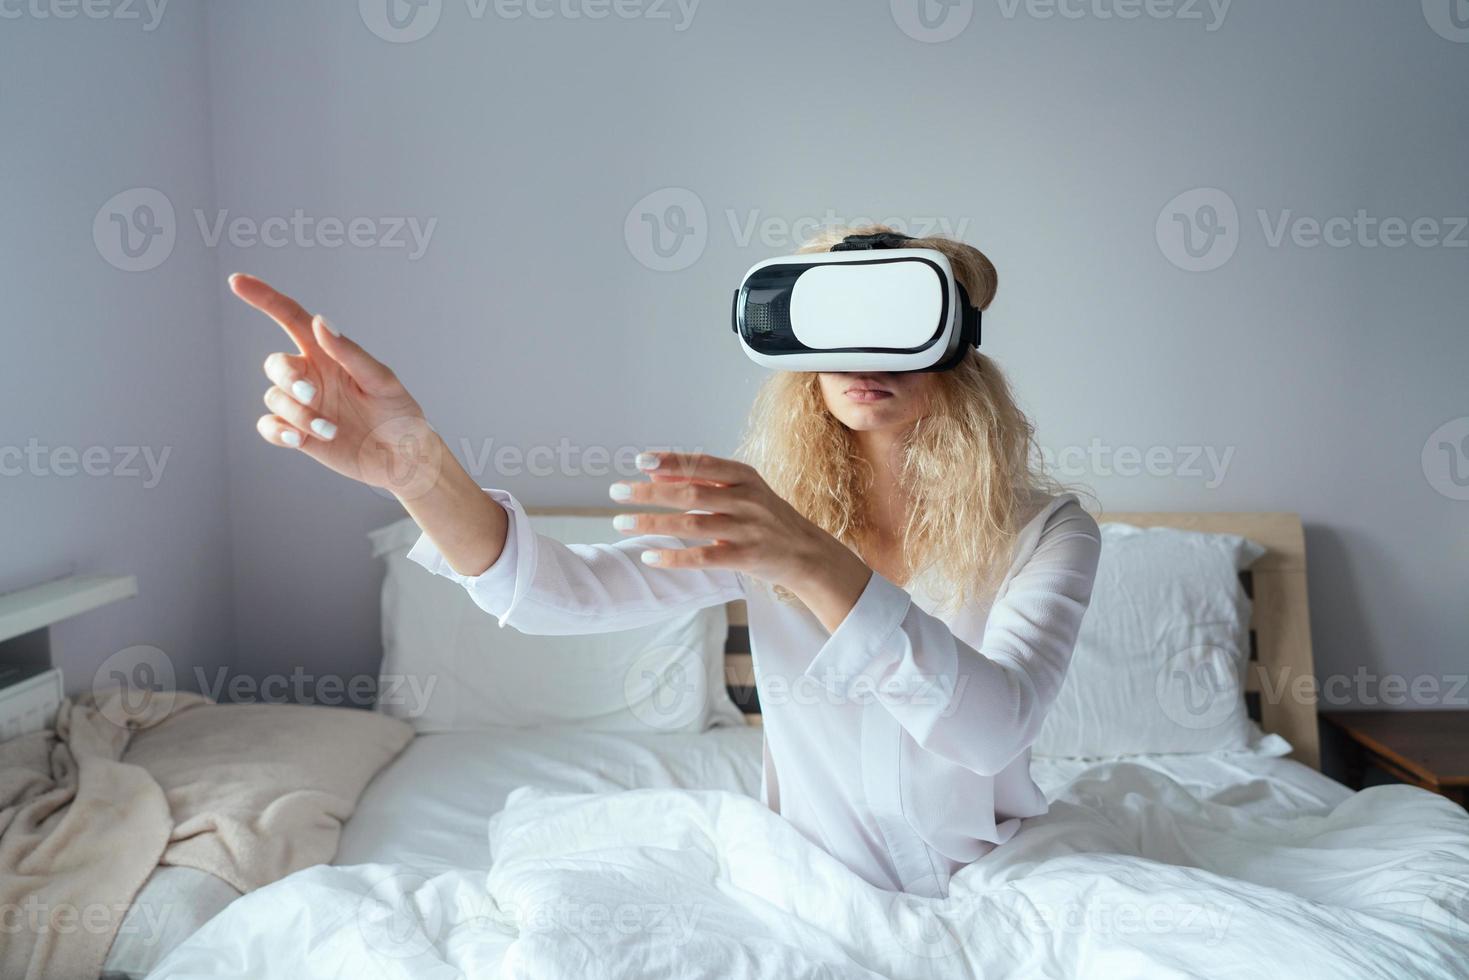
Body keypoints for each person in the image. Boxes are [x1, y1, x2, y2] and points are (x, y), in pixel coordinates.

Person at [230, 226, 1101, 897]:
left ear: (957, 348)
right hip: (808, 884)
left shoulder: (1046, 531)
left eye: (895, 327)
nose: (862, 359)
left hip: (1003, 884)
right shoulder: (765, 518)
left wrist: (811, 563)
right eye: (837, 327)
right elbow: (560, 596)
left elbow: (991, 730)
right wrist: (417, 470)